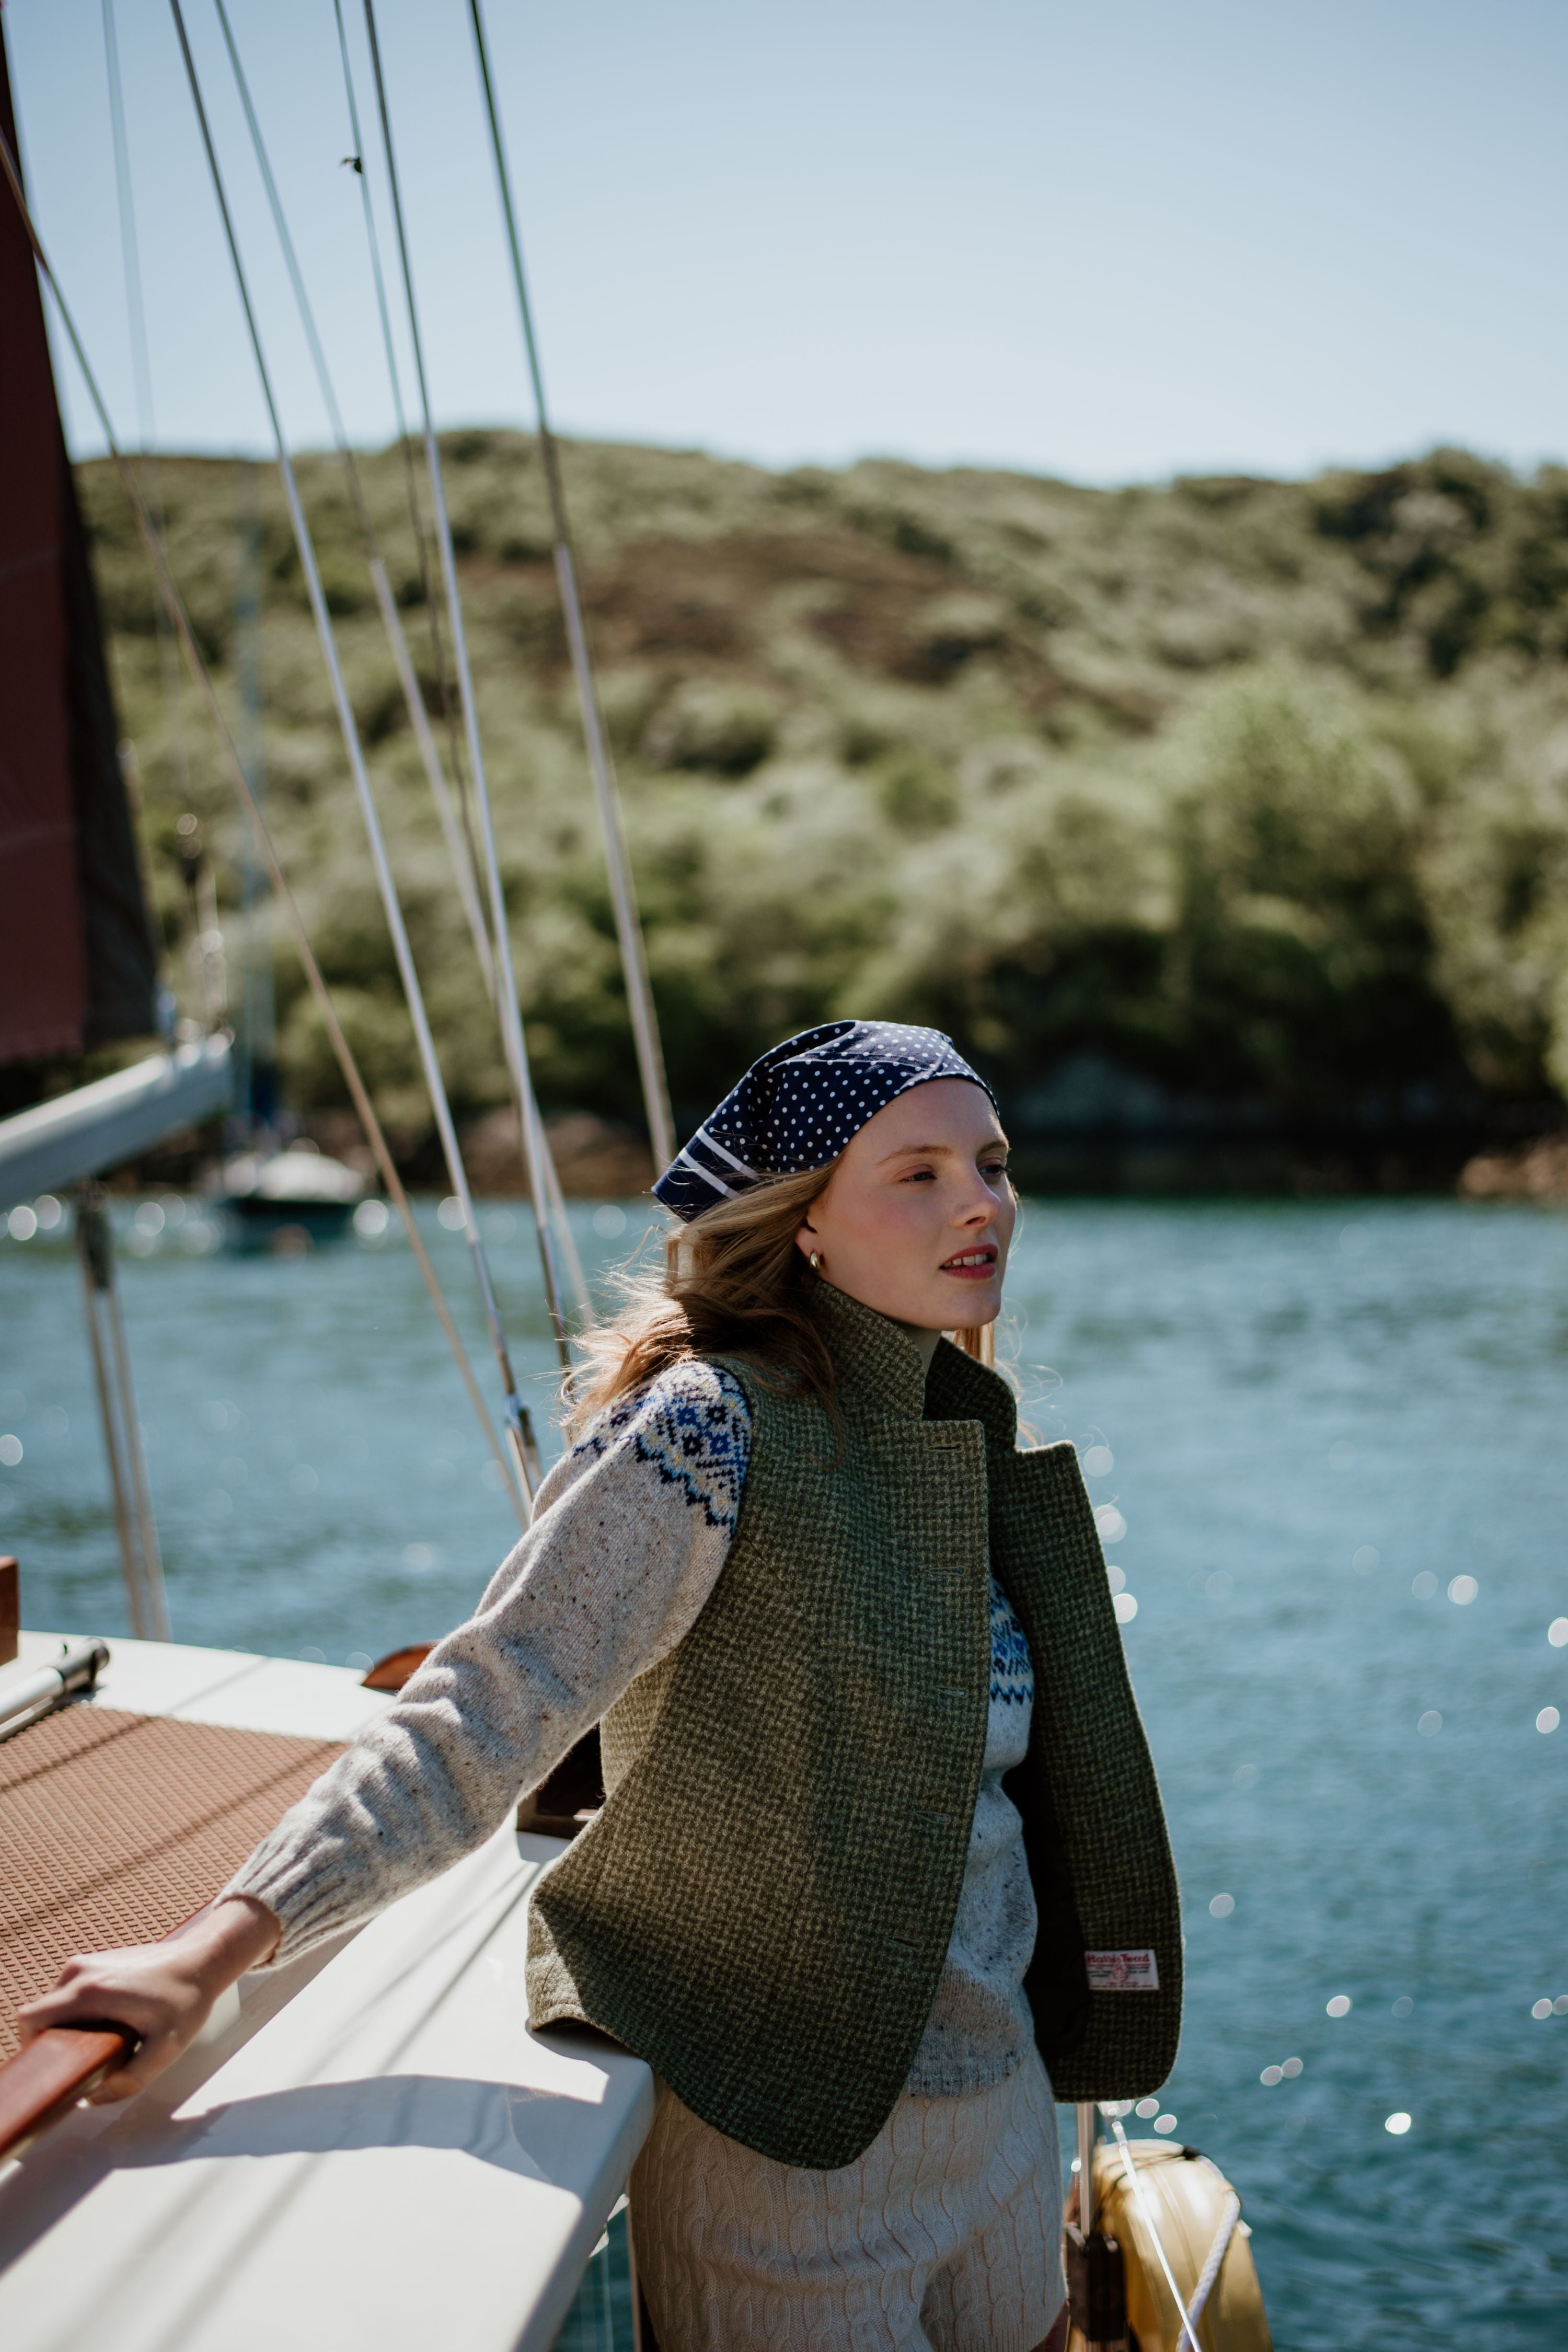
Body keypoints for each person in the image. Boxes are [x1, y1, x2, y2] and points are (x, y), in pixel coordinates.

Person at [20, 1020, 1180, 2352]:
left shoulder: (960, 1433)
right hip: (787, 2155)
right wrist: (213, 1951)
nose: (983, 1201)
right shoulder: (709, 1429)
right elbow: (488, 1703)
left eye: (990, 1162)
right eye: (917, 1174)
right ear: (802, 1224)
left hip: (1005, 2129)